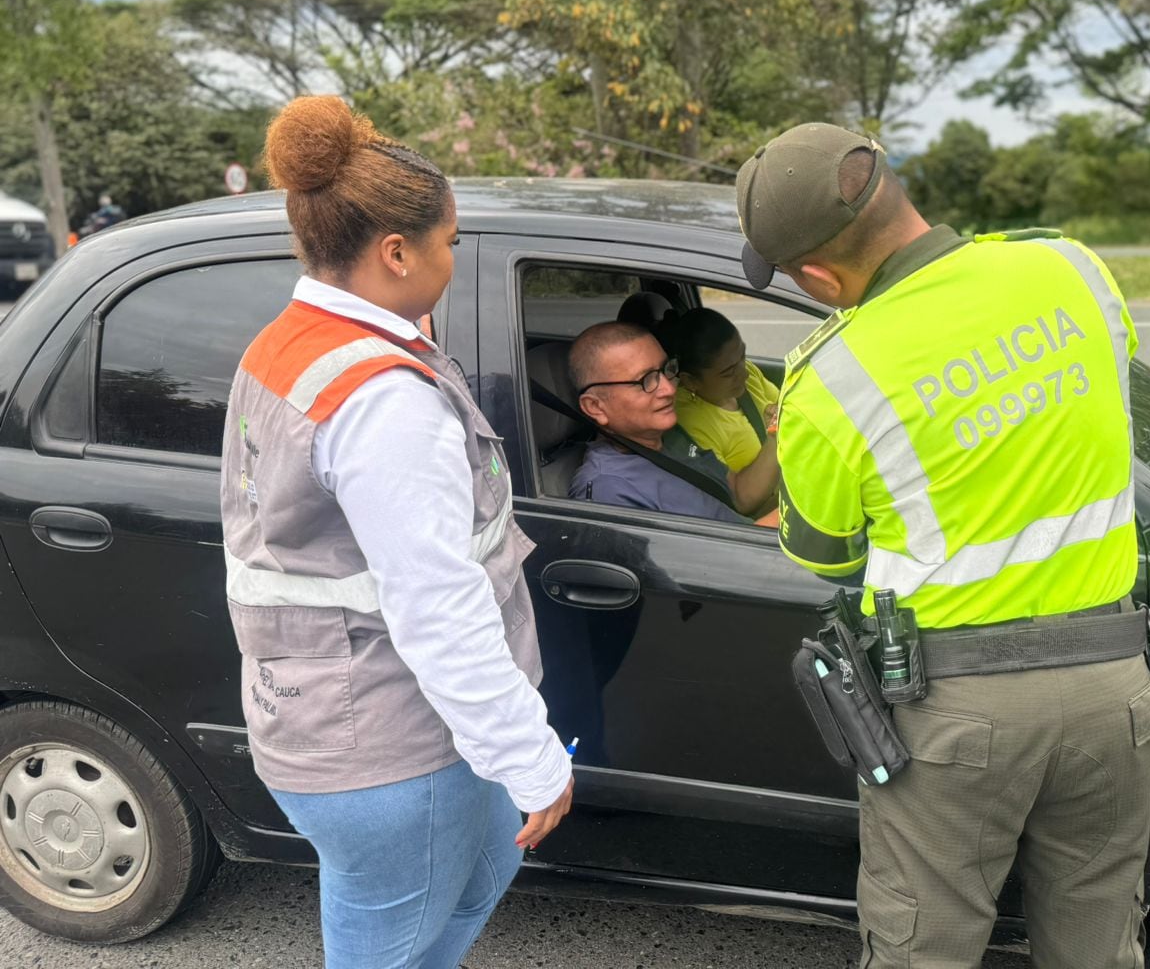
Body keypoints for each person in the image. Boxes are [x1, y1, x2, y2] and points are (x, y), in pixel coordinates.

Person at [738, 122, 1150, 968]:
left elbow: (824, 557)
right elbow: (1098, 400)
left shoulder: (835, 374)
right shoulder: (1071, 270)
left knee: (922, 946)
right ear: (895, 187)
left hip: (959, 714)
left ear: (817, 276)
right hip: (1117, 689)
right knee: (1100, 942)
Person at [220, 96, 572, 969]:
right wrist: (533, 761)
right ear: (395, 252)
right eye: (450, 242)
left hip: (333, 713)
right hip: (387, 744)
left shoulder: (297, 342)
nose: (453, 260)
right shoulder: (382, 404)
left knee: (477, 878)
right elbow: (438, 609)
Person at [568, 321, 777, 525]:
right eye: (645, 381)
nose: (669, 389)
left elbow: (738, 495)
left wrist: (777, 434)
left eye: (666, 369)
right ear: (595, 407)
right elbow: (709, 558)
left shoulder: (670, 436)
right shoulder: (610, 490)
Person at [658, 307, 781, 514]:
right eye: (728, 372)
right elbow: (740, 501)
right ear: (690, 381)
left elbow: (783, 405)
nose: (743, 374)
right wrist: (776, 433)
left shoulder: (748, 374)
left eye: (742, 356)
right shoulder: (689, 421)